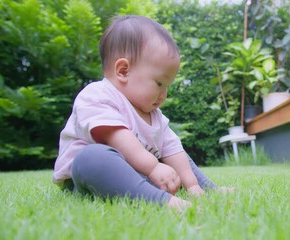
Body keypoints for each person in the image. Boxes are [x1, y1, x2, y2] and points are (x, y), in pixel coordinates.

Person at [53, 15, 226, 210]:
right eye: (159, 83)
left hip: (139, 173)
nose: (164, 95)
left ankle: (205, 188)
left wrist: (191, 184)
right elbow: (116, 137)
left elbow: (172, 149)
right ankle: (161, 201)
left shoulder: (154, 115)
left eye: (167, 86)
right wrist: (153, 167)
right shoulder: (98, 95)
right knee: (90, 158)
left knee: (179, 154)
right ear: (123, 71)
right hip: (90, 180)